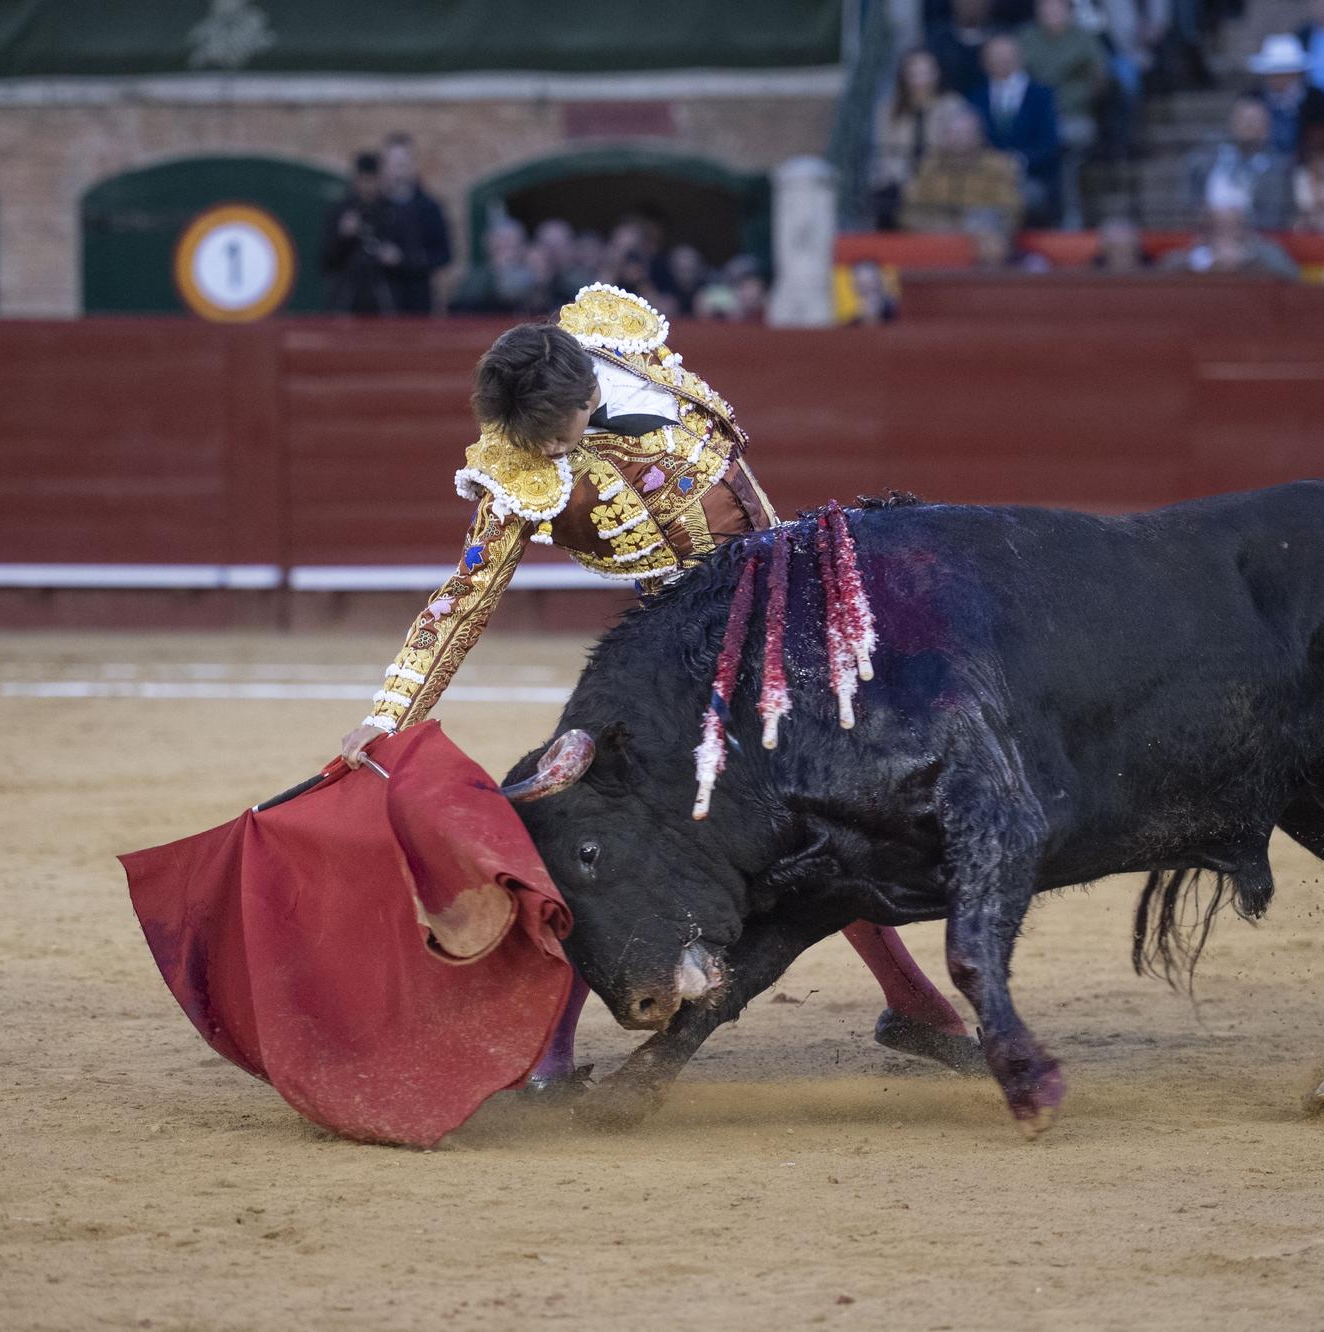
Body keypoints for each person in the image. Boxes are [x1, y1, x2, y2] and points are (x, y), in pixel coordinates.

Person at [338, 286, 983, 1087]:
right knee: (629, 842)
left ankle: (916, 1009)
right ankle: (550, 1053)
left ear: (583, 397)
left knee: (826, 823)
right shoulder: (521, 471)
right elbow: (461, 599)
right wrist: (389, 714)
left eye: (554, 436)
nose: (543, 457)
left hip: (793, 622)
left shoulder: (620, 345)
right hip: (680, 671)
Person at [1019, 0, 1110, 226]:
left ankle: (1070, 215)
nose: (1051, 13)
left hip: (1074, 115)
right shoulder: (1026, 37)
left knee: (1063, 145)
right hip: (1035, 119)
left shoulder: (1084, 38)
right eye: (1045, 8)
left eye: (1057, 8)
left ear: (1070, 12)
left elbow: (1100, 77)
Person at [871, 47, 978, 228]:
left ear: (937, 73)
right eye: (915, 73)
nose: (921, 79)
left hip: (942, 175)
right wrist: (904, 179)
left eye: (927, 72)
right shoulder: (888, 110)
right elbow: (885, 152)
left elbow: (960, 146)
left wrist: (924, 179)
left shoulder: (953, 105)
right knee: (884, 197)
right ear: (904, 76)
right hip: (900, 179)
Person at [972, 33, 1066, 224]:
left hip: (1031, 177)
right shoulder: (975, 98)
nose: (1001, 61)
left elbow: (1050, 145)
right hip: (985, 178)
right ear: (984, 62)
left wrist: (1018, 162)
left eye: (1007, 55)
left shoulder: (1042, 96)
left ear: (1020, 58)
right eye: (995, 56)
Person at [901, 99, 1028, 230]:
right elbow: (907, 213)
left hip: (983, 237)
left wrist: (980, 222)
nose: (959, 138)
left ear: (979, 136)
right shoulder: (928, 166)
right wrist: (941, 226)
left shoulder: (998, 166)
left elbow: (1013, 213)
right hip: (936, 239)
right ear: (944, 136)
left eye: (966, 133)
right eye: (953, 133)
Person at [1184, 95, 1294, 230]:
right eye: (1244, 120)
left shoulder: (1279, 169)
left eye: (1254, 121)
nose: (1249, 126)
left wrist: (1233, 220)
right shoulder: (1202, 160)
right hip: (1207, 234)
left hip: (1254, 241)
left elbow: (1273, 216)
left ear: (1267, 128)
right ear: (1232, 123)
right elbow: (1189, 204)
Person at [370, 133, 453, 315]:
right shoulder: (374, 207)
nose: (397, 170)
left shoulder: (429, 208)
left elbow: (444, 255)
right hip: (378, 306)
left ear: (412, 165)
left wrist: (404, 260)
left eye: (402, 163)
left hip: (418, 304)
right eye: (392, 164)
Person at [320, 151, 400, 316]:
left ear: (379, 180)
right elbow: (326, 260)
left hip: (382, 300)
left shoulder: (392, 212)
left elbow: (407, 256)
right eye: (363, 180)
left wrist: (396, 257)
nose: (367, 186)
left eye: (372, 180)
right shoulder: (341, 211)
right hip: (346, 301)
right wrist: (343, 237)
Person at [1158, 198, 1302, 276]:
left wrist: (1249, 262)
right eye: (1218, 226)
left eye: (1232, 224)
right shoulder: (1193, 253)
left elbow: (1292, 275)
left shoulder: (1263, 251)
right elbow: (1162, 273)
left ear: (1242, 227)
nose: (1226, 229)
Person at [1247, 33, 1324, 154]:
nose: (1280, 79)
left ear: (1297, 73)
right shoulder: (1254, 98)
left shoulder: (1318, 100)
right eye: (1275, 74)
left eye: (1286, 73)